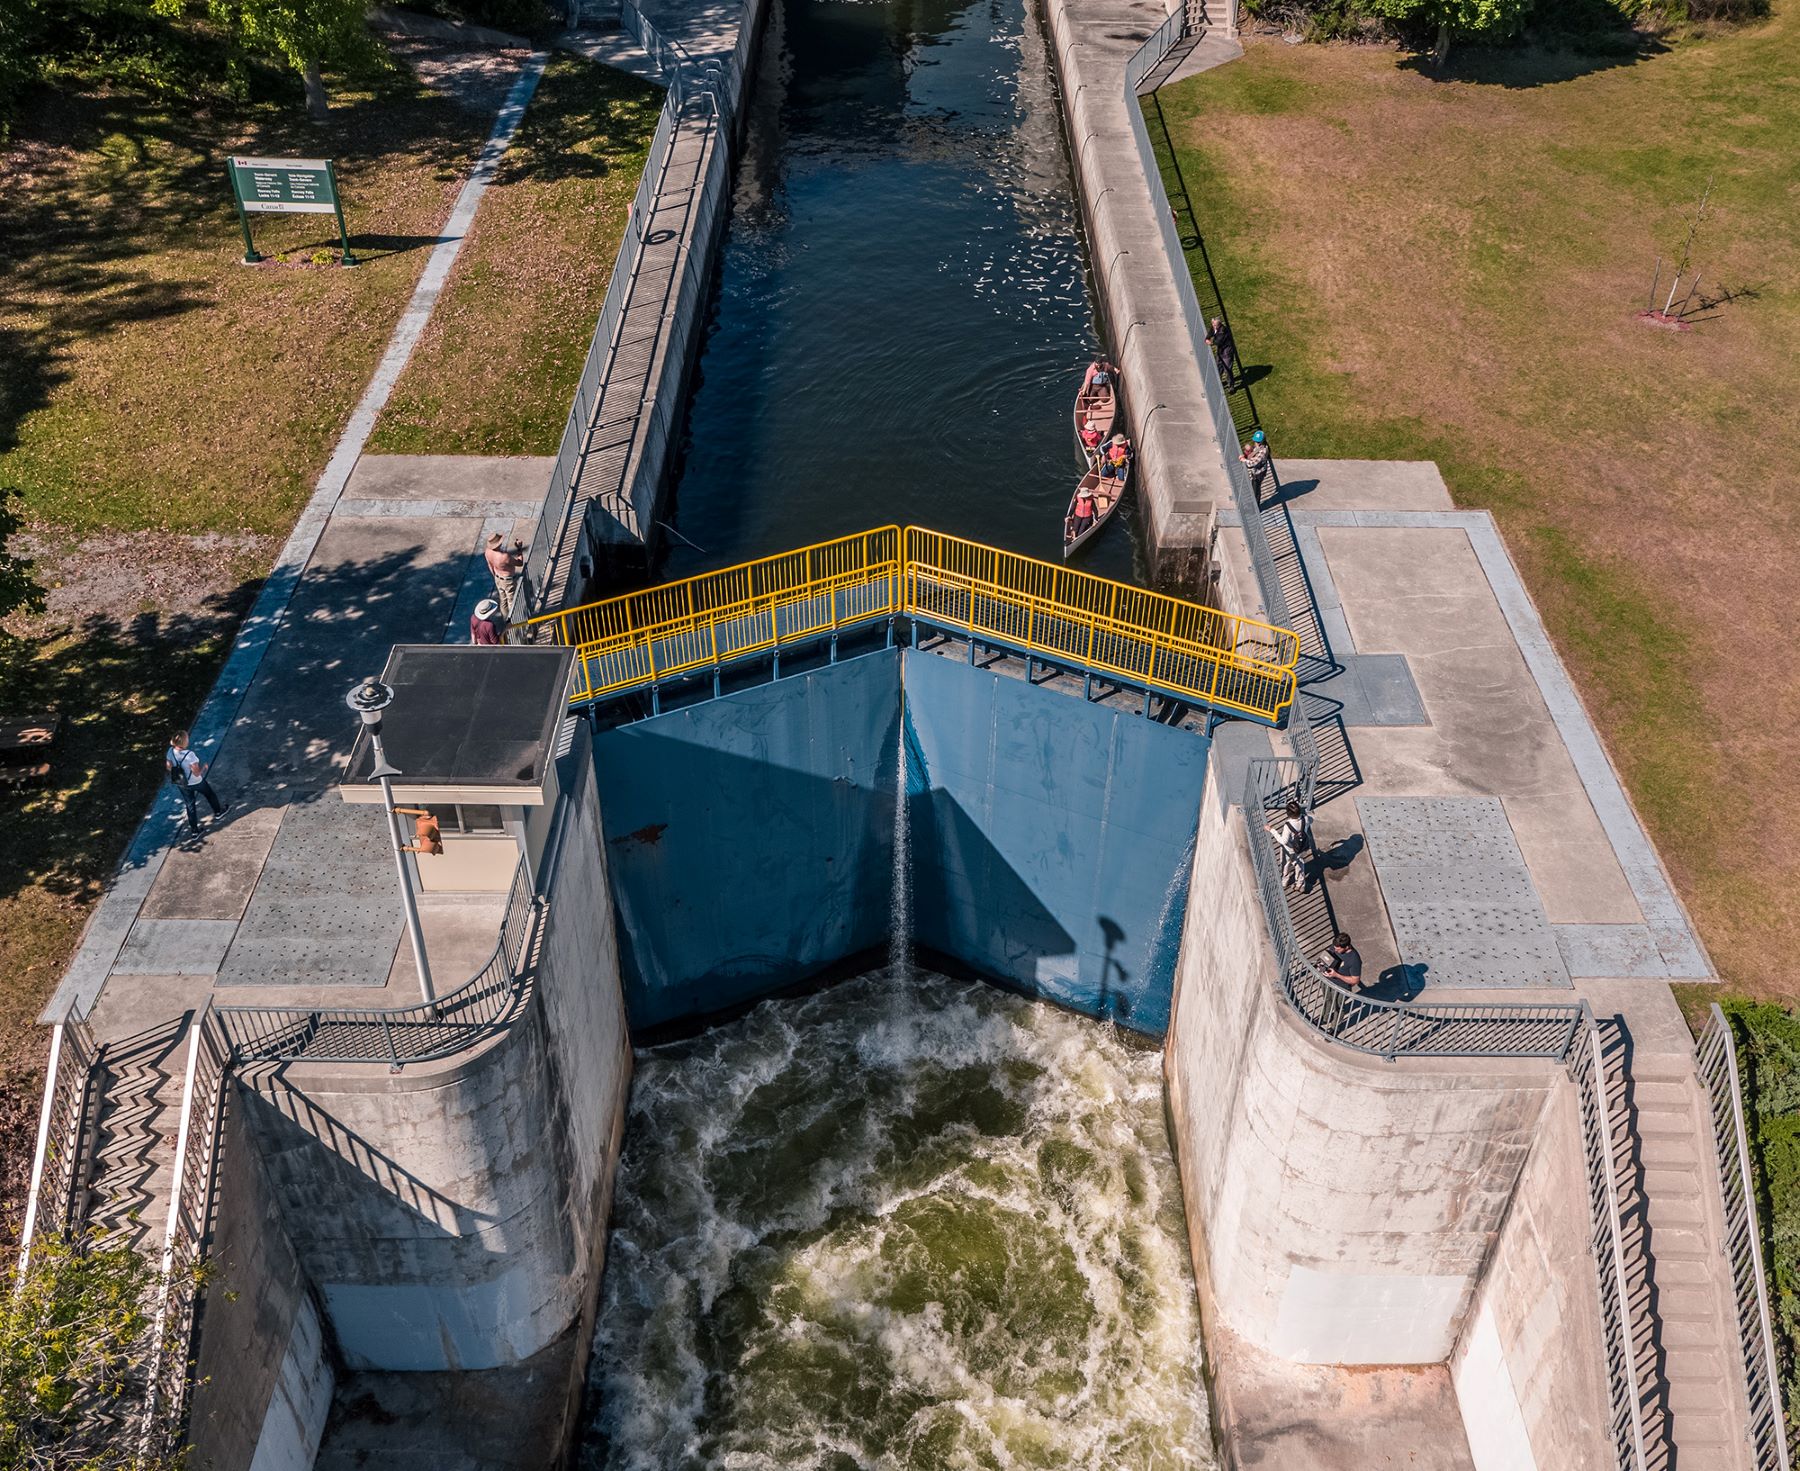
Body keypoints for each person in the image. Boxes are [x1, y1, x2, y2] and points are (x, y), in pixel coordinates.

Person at [165, 730, 227, 834]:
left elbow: (168, 767)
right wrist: (204, 768)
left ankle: (194, 831)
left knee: (190, 805)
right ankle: (218, 812)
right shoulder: (190, 755)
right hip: (196, 782)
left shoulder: (170, 752)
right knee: (209, 794)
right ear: (184, 742)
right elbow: (197, 773)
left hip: (182, 783)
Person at [1265, 799, 1311, 892]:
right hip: (1302, 847)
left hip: (1289, 849)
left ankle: (1284, 881)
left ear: (1288, 814)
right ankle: (1300, 884)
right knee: (1300, 864)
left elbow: (1283, 841)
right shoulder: (1305, 819)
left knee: (1286, 864)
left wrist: (1271, 830)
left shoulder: (1288, 825)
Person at [485, 533, 525, 619]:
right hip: (508, 580)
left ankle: (505, 619)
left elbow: (490, 565)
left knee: (503, 601)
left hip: (497, 577)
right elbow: (519, 563)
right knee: (511, 601)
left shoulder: (487, 552)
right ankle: (514, 621)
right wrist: (519, 549)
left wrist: (495, 576)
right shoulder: (504, 557)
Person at [1207, 316, 1237, 389]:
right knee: (1218, 367)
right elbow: (1211, 332)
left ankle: (1231, 386)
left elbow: (1218, 341)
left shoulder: (1223, 330)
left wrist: (1210, 342)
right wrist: (1207, 337)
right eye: (1213, 324)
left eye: (1215, 325)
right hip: (1220, 351)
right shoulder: (1215, 327)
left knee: (1227, 370)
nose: (1214, 326)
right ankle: (1219, 382)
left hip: (1227, 352)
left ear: (1219, 324)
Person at [1240, 429, 1271, 498]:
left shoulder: (1263, 451)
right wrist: (1245, 455)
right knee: (1253, 487)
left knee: (1255, 490)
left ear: (1262, 441)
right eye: (1255, 441)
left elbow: (1252, 463)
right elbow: (1252, 455)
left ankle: (1256, 506)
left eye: (1258, 441)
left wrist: (1244, 460)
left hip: (1259, 473)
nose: (1256, 443)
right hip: (1255, 471)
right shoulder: (1258, 447)